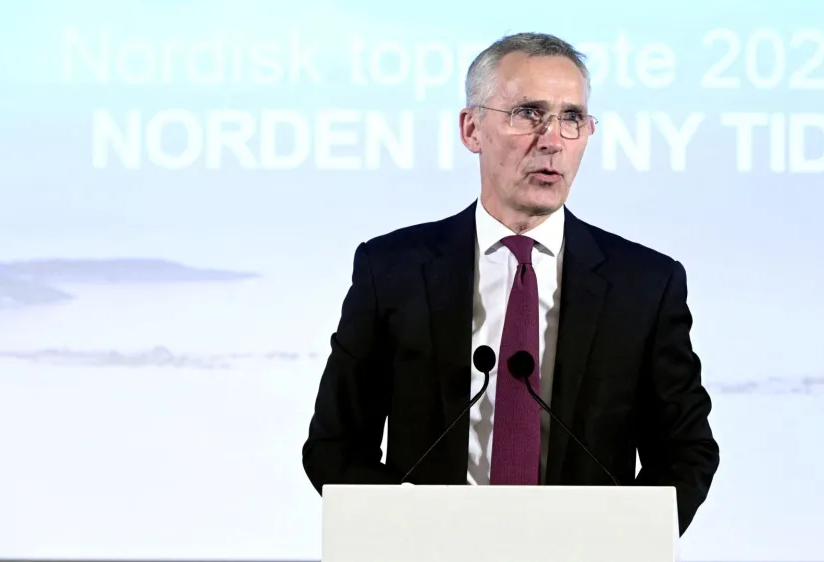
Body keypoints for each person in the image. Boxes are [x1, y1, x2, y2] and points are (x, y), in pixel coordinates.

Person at [302, 32, 719, 535]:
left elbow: (686, 450)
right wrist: (407, 530)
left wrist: (622, 538)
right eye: (527, 112)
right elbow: (335, 445)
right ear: (471, 128)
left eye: (571, 118)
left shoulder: (645, 284)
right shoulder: (392, 270)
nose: (552, 139)